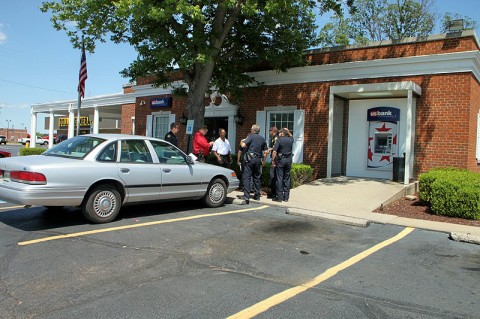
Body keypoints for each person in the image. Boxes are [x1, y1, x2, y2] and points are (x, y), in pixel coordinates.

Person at [240, 124, 267, 204]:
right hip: (258, 160)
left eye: (251, 129)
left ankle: (246, 196)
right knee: (257, 178)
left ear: (253, 130)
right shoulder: (262, 138)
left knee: (247, 177)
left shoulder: (251, 136)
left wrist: (242, 141)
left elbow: (243, 145)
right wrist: (264, 161)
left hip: (250, 160)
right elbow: (265, 151)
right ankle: (257, 195)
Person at [272, 128, 294, 202]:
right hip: (289, 160)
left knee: (279, 178)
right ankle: (286, 197)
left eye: (280, 133)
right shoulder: (290, 139)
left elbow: (274, 151)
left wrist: (273, 160)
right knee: (287, 178)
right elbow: (291, 136)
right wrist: (287, 131)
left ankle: (279, 197)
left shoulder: (279, 140)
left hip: (281, 160)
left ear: (281, 133)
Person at [264, 127, 279, 199]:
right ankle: (273, 192)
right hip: (274, 159)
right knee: (272, 175)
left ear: (273, 131)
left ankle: (274, 193)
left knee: (273, 176)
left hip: (275, 160)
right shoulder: (272, 138)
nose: (269, 132)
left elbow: (275, 148)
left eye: (269, 131)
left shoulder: (276, 138)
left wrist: (270, 149)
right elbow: (271, 147)